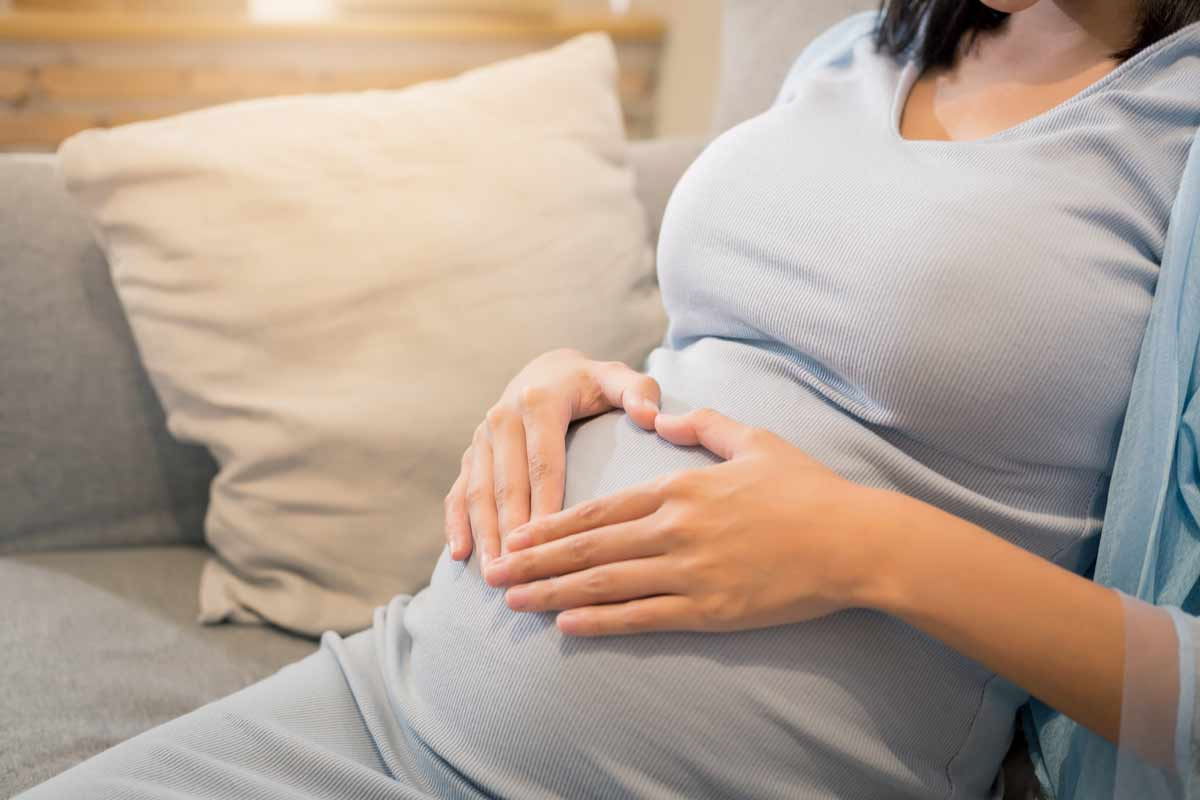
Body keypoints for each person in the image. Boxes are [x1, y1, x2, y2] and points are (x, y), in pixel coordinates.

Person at [20, 1, 1200, 798]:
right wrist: (572, 379)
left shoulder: (1172, 131)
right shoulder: (850, 53)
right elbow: (752, 345)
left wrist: (868, 546)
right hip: (391, 699)